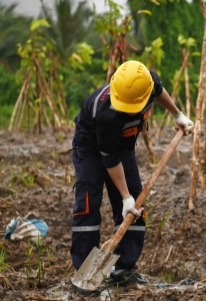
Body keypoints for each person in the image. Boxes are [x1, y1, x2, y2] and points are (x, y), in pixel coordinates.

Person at [70, 60, 194, 286]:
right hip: (90, 148)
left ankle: (124, 268)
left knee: (135, 206)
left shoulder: (146, 81)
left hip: (123, 146)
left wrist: (178, 114)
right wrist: (124, 197)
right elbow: (110, 159)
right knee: (88, 202)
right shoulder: (107, 114)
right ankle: (85, 273)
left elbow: (159, 91)